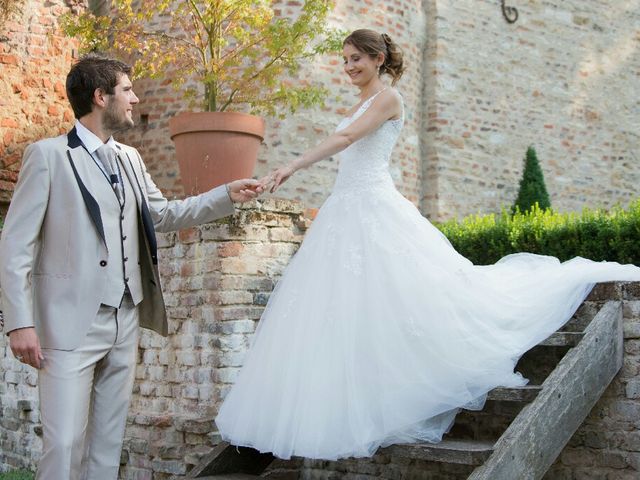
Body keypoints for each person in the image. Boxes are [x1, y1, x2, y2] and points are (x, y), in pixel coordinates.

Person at [215, 29, 640, 461]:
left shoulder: (388, 99)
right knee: (344, 306)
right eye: (344, 60)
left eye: (356, 59)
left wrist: (289, 167)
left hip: (374, 206)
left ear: (379, 58)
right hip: (345, 209)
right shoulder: (361, 102)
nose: (348, 67)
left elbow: (344, 141)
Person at [0, 53, 263, 479]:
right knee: (64, 444)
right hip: (68, 323)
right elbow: (14, 245)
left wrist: (226, 194)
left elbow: (162, 216)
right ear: (101, 97)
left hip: (125, 319)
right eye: (127, 90)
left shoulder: (131, 159)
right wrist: (19, 323)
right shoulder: (47, 156)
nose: (135, 98)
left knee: (107, 446)